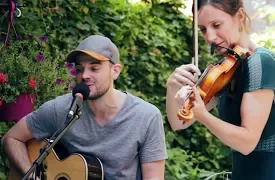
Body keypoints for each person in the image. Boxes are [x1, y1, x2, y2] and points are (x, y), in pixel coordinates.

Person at [2, 35, 167, 180]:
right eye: (79, 69)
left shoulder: (146, 116)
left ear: (115, 71)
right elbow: (12, 138)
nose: (84, 75)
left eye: (94, 68)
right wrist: (31, 176)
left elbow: (154, 176)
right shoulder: (61, 109)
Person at [166, 0, 275, 179]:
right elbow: (179, 122)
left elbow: (247, 142)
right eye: (203, 29)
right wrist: (172, 86)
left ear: (240, 16)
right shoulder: (227, 69)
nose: (210, 37)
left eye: (216, 25)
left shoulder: (261, 62)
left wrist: (203, 115)